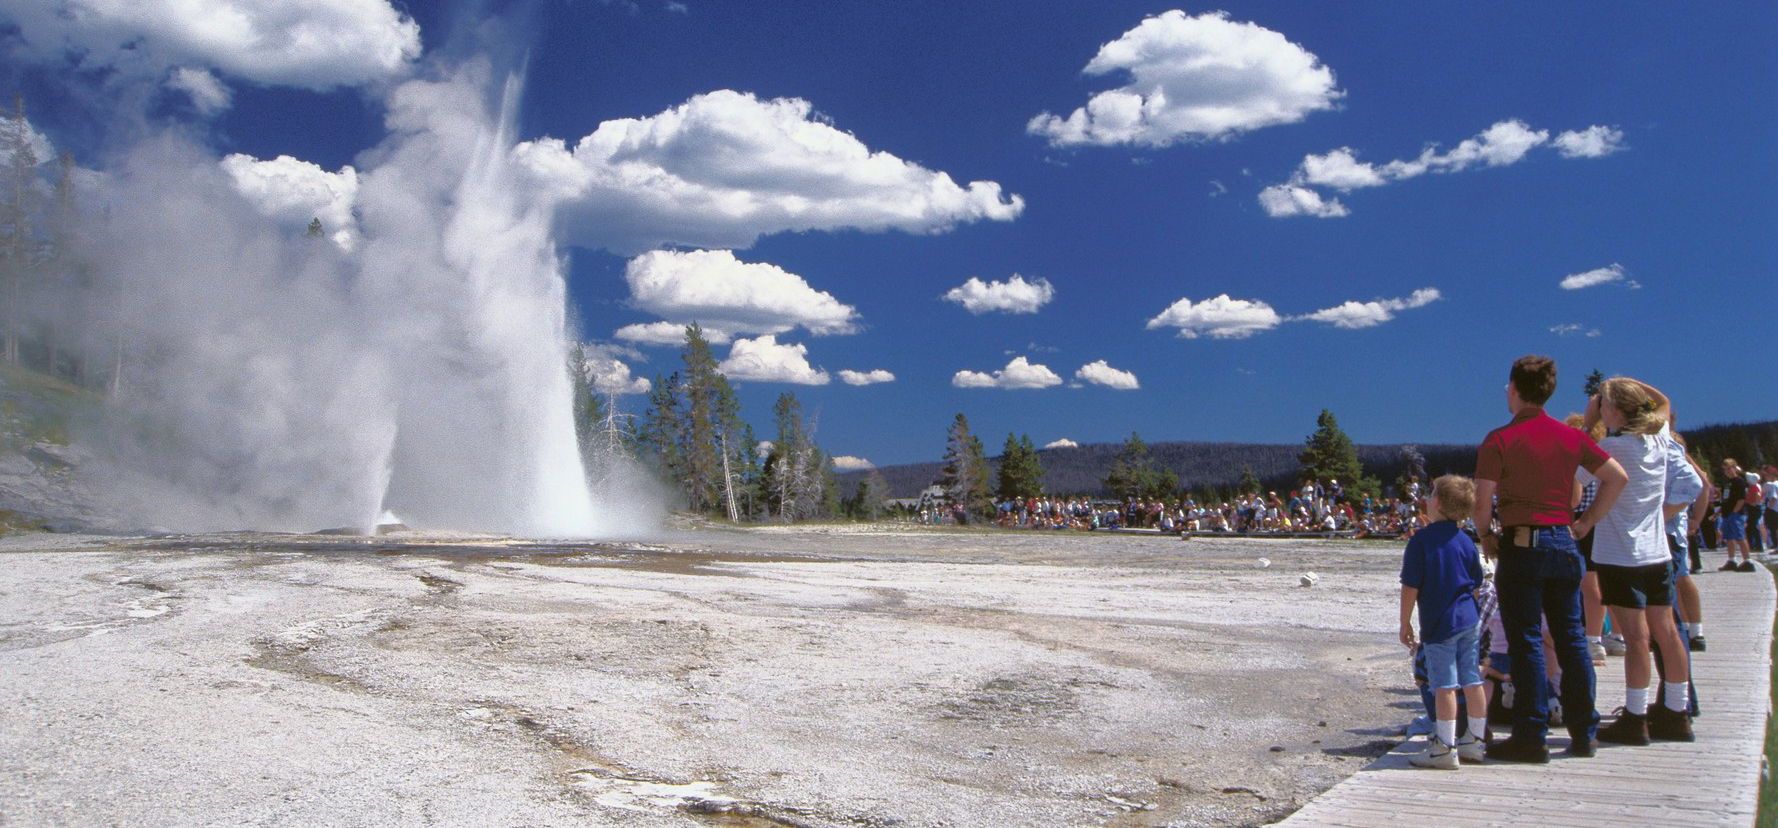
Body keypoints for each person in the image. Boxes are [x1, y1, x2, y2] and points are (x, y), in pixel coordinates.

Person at [1473, 355, 1628, 763]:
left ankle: (1531, 734)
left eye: (1507, 387)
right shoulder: (1570, 437)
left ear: (1515, 389)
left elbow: (1481, 501)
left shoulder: (1499, 440)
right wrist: (1585, 523)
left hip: (1523, 545)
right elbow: (1617, 477)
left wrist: (1487, 535)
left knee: (1526, 640)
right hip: (1563, 542)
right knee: (1572, 638)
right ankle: (1584, 731)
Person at [1580, 378, 1700, 744]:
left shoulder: (1609, 447)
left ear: (1614, 411)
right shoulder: (1660, 439)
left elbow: (1576, 481)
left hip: (1619, 554)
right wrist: (1624, 383)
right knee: (1666, 632)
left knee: (1636, 638)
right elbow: (1663, 400)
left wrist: (1587, 425)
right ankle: (1677, 713)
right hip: (1657, 551)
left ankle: (1635, 717)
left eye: (1604, 403)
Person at [1400, 475, 1489, 768]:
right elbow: (1475, 583)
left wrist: (1405, 623)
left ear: (1435, 503)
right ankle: (1475, 742)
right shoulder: (1465, 541)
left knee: (1444, 685)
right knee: (1472, 679)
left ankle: (1444, 747)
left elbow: (1411, 585)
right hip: (1469, 620)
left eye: (1431, 492)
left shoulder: (1421, 541)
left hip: (1440, 622)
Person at [1718, 458, 1753, 571]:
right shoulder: (1727, 483)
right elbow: (1725, 499)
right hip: (1726, 514)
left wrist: (1734, 512)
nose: (1727, 471)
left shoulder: (1740, 482)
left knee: (1739, 537)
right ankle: (1732, 560)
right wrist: (1719, 513)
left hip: (1736, 514)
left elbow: (1741, 499)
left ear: (1734, 468)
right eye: (1725, 469)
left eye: (1729, 469)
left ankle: (1748, 561)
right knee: (1729, 538)